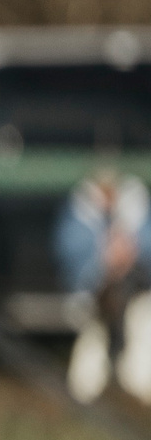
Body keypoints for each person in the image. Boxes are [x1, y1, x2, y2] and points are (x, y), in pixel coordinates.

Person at [58, 169, 151, 405]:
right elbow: (68, 256)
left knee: (143, 326)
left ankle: (137, 388)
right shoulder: (78, 212)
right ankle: (85, 396)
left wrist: (131, 253)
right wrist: (104, 259)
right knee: (94, 339)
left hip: (138, 295)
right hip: (95, 296)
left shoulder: (140, 208)